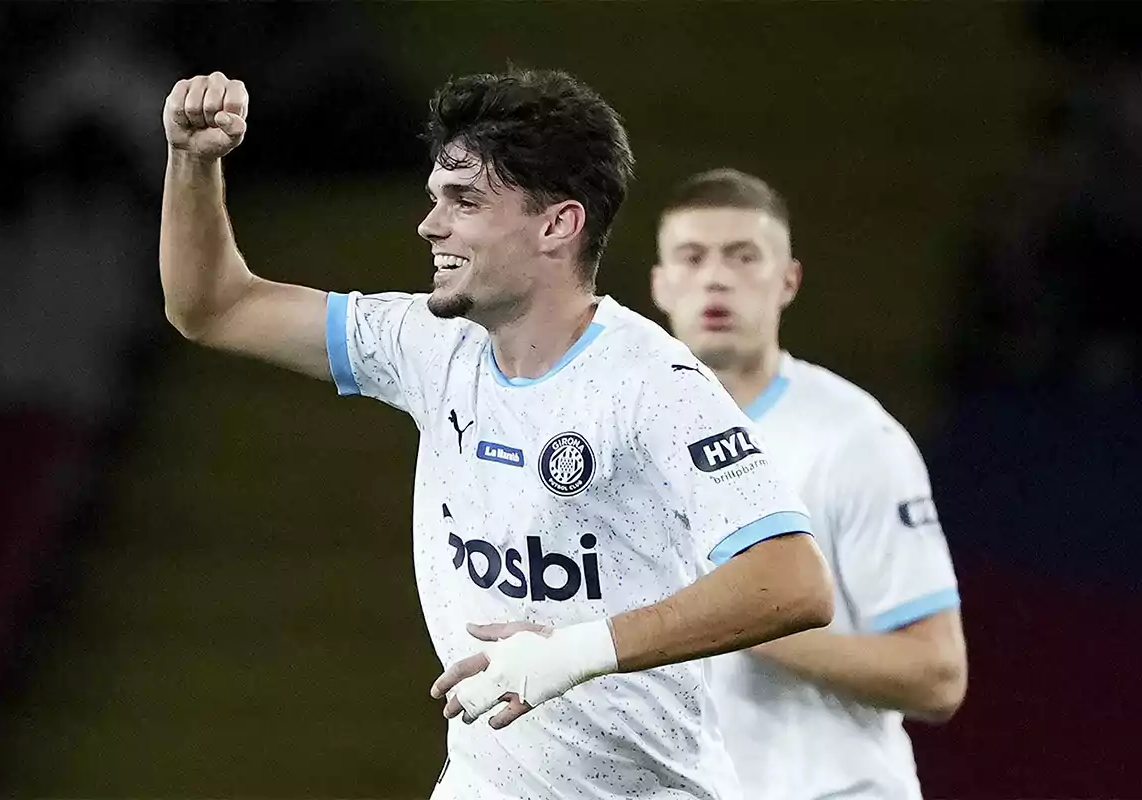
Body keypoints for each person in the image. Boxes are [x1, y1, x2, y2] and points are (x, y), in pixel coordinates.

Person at [160, 69, 833, 799]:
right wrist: (193, 163)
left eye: (465, 201)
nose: (430, 224)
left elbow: (793, 581)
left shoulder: (653, 385)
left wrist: (574, 653)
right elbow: (213, 307)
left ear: (557, 225)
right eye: (434, 199)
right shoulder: (426, 343)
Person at [650, 168, 968, 799]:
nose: (716, 278)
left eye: (743, 257)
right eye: (692, 258)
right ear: (660, 284)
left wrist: (744, 621)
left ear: (788, 279)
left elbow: (938, 676)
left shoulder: (853, 441)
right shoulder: (626, 439)